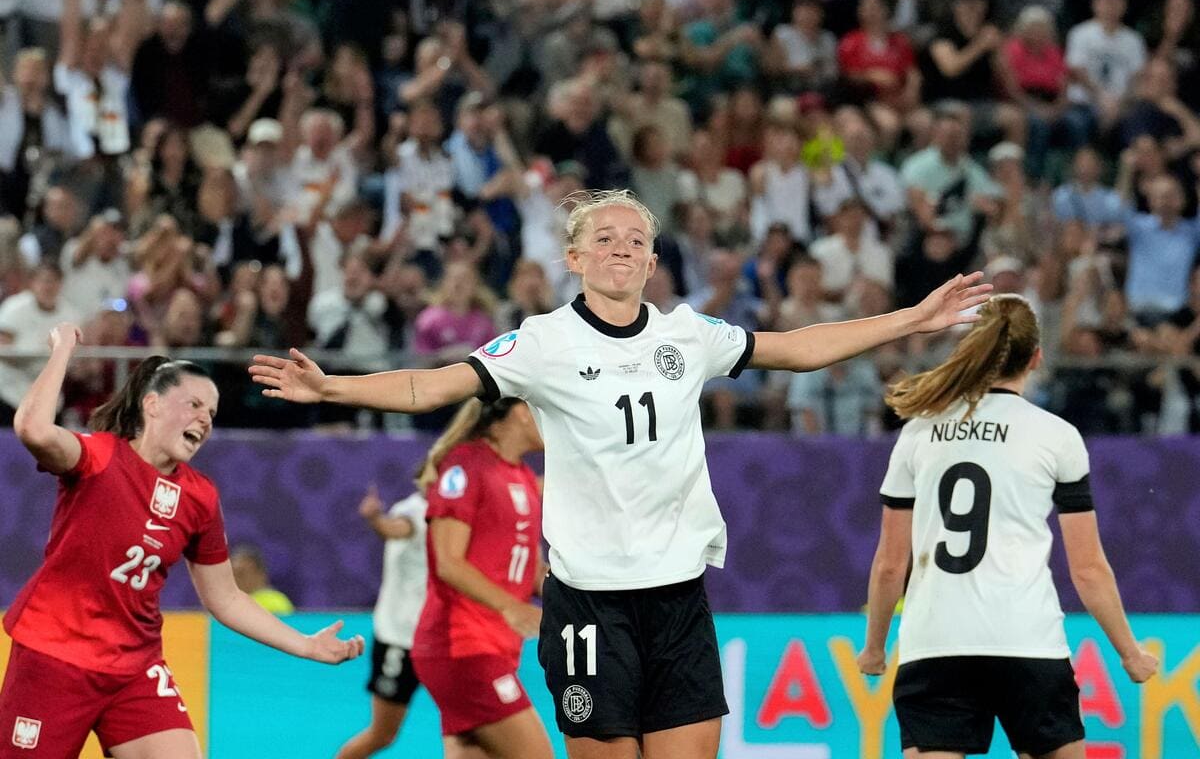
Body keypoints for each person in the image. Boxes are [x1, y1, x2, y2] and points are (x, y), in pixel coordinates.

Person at [249, 189, 989, 759]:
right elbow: (433, 384)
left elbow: (795, 346)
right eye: (604, 238)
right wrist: (334, 387)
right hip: (590, 607)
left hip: (678, 599)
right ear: (575, 258)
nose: (622, 249)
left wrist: (910, 320)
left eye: (637, 240)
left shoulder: (686, 334)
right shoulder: (542, 343)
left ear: (652, 262)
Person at [0, 325, 364, 759]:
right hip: (55, 658)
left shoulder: (200, 497)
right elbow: (34, 430)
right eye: (193, 404)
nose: (205, 419)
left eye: (211, 412)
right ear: (151, 405)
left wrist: (304, 644)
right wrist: (62, 350)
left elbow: (226, 598)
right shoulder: (97, 457)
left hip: (135, 667)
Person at [856, 295, 1159, 759]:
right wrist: (1129, 653)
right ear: (1036, 357)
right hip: (1027, 641)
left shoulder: (919, 431)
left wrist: (874, 647)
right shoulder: (1056, 436)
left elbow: (890, 565)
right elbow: (1088, 570)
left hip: (935, 644)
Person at [411, 397, 552, 759]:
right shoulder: (466, 466)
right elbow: (448, 562)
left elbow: (532, 573)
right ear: (521, 412)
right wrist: (510, 607)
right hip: (460, 647)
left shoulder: (520, 475)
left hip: (496, 649)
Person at [334, 483, 429, 759]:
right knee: (383, 734)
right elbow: (394, 529)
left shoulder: (456, 509)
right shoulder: (414, 511)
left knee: (473, 728)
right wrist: (375, 519)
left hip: (441, 640)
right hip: (401, 641)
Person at [230, 544, 296, 615]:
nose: (235, 579)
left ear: (260, 574)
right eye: (233, 574)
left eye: (241, 573)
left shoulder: (275, 602)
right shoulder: (228, 603)